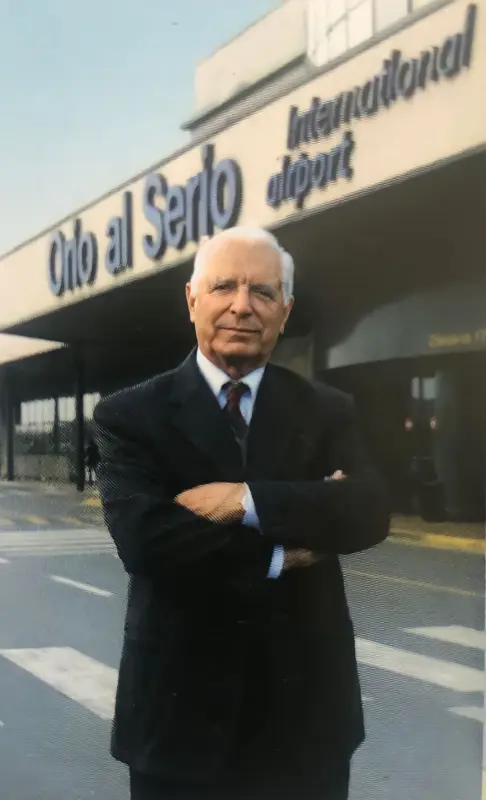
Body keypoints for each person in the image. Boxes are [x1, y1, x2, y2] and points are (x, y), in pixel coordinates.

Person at [93, 226, 389, 800]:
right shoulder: (128, 416)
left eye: (263, 292)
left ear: (285, 310)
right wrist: (287, 548)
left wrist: (243, 500)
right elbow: (147, 541)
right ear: (192, 300)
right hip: (178, 724)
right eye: (224, 286)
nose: (241, 306)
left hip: (306, 722)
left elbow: (368, 510)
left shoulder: (328, 410)